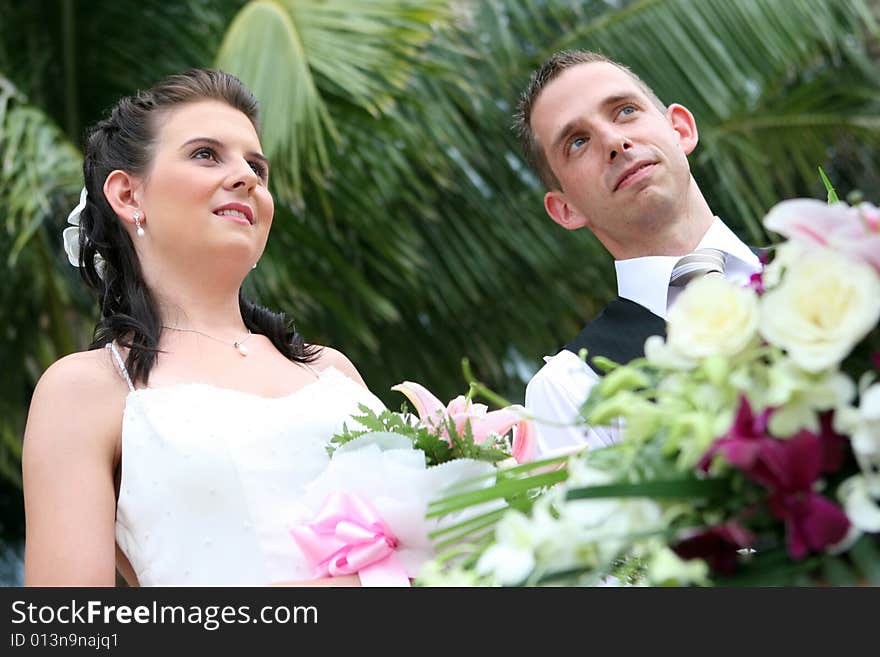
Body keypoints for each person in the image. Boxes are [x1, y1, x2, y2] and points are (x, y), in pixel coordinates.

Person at [21, 69, 386, 586]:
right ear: (127, 196)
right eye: (205, 154)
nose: (248, 177)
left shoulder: (330, 370)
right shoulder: (85, 389)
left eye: (256, 165)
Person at [516, 51, 762, 457]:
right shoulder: (572, 387)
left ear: (680, 128)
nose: (614, 142)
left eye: (625, 110)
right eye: (578, 142)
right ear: (565, 209)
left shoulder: (825, 261)